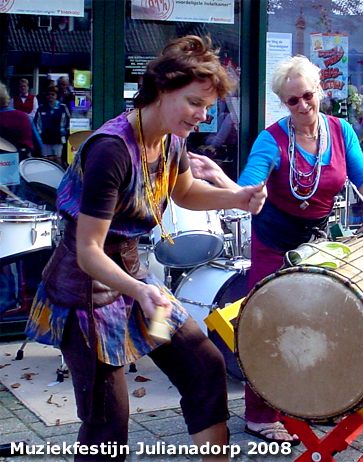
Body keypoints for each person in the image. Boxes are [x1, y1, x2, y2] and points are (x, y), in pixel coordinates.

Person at [24, 35, 266, 462]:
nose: (203, 115)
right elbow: (89, 251)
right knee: (106, 424)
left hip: (135, 279)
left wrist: (236, 197)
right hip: (87, 293)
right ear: (161, 89)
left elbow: (185, 191)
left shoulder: (171, 138)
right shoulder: (111, 150)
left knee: (204, 367)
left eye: (208, 106)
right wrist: (140, 291)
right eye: (194, 102)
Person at [231, 55, 363, 443]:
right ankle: (259, 416)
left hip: (316, 243)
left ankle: (316, 403)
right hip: (273, 242)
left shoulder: (341, 131)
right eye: (293, 100)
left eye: (308, 95)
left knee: (322, 320)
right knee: (267, 324)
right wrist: (249, 190)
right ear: (283, 103)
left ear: (319, 90)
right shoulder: (271, 138)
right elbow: (249, 183)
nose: (303, 105)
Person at [0, 81, 41, 159]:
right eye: (21, 86)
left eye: (24, 86)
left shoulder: (33, 99)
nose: (23, 88)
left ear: (28, 87)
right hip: (21, 158)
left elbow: (35, 110)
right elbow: (38, 143)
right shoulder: (23, 115)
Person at [34, 85, 70, 163]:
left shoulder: (62, 107)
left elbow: (67, 122)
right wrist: (40, 135)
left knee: (58, 159)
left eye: (53, 94)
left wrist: (63, 133)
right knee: (45, 160)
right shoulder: (41, 108)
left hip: (58, 139)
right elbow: (37, 123)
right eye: (48, 94)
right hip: (45, 139)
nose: (50, 96)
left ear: (56, 96)